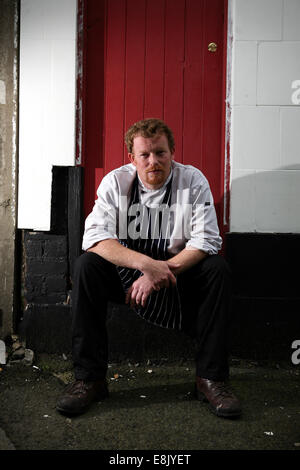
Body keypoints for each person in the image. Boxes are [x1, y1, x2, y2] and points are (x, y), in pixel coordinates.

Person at [56, 118, 241, 418]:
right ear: (132, 158)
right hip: (127, 276)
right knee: (86, 267)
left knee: (217, 270)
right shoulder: (116, 183)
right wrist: (146, 266)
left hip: (178, 274)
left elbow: (207, 239)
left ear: (172, 153)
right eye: (145, 155)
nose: (153, 161)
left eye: (161, 153)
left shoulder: (192, 180)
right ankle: (89, 379)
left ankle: (211, 379)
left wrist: (158, 274)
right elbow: (94, 238)